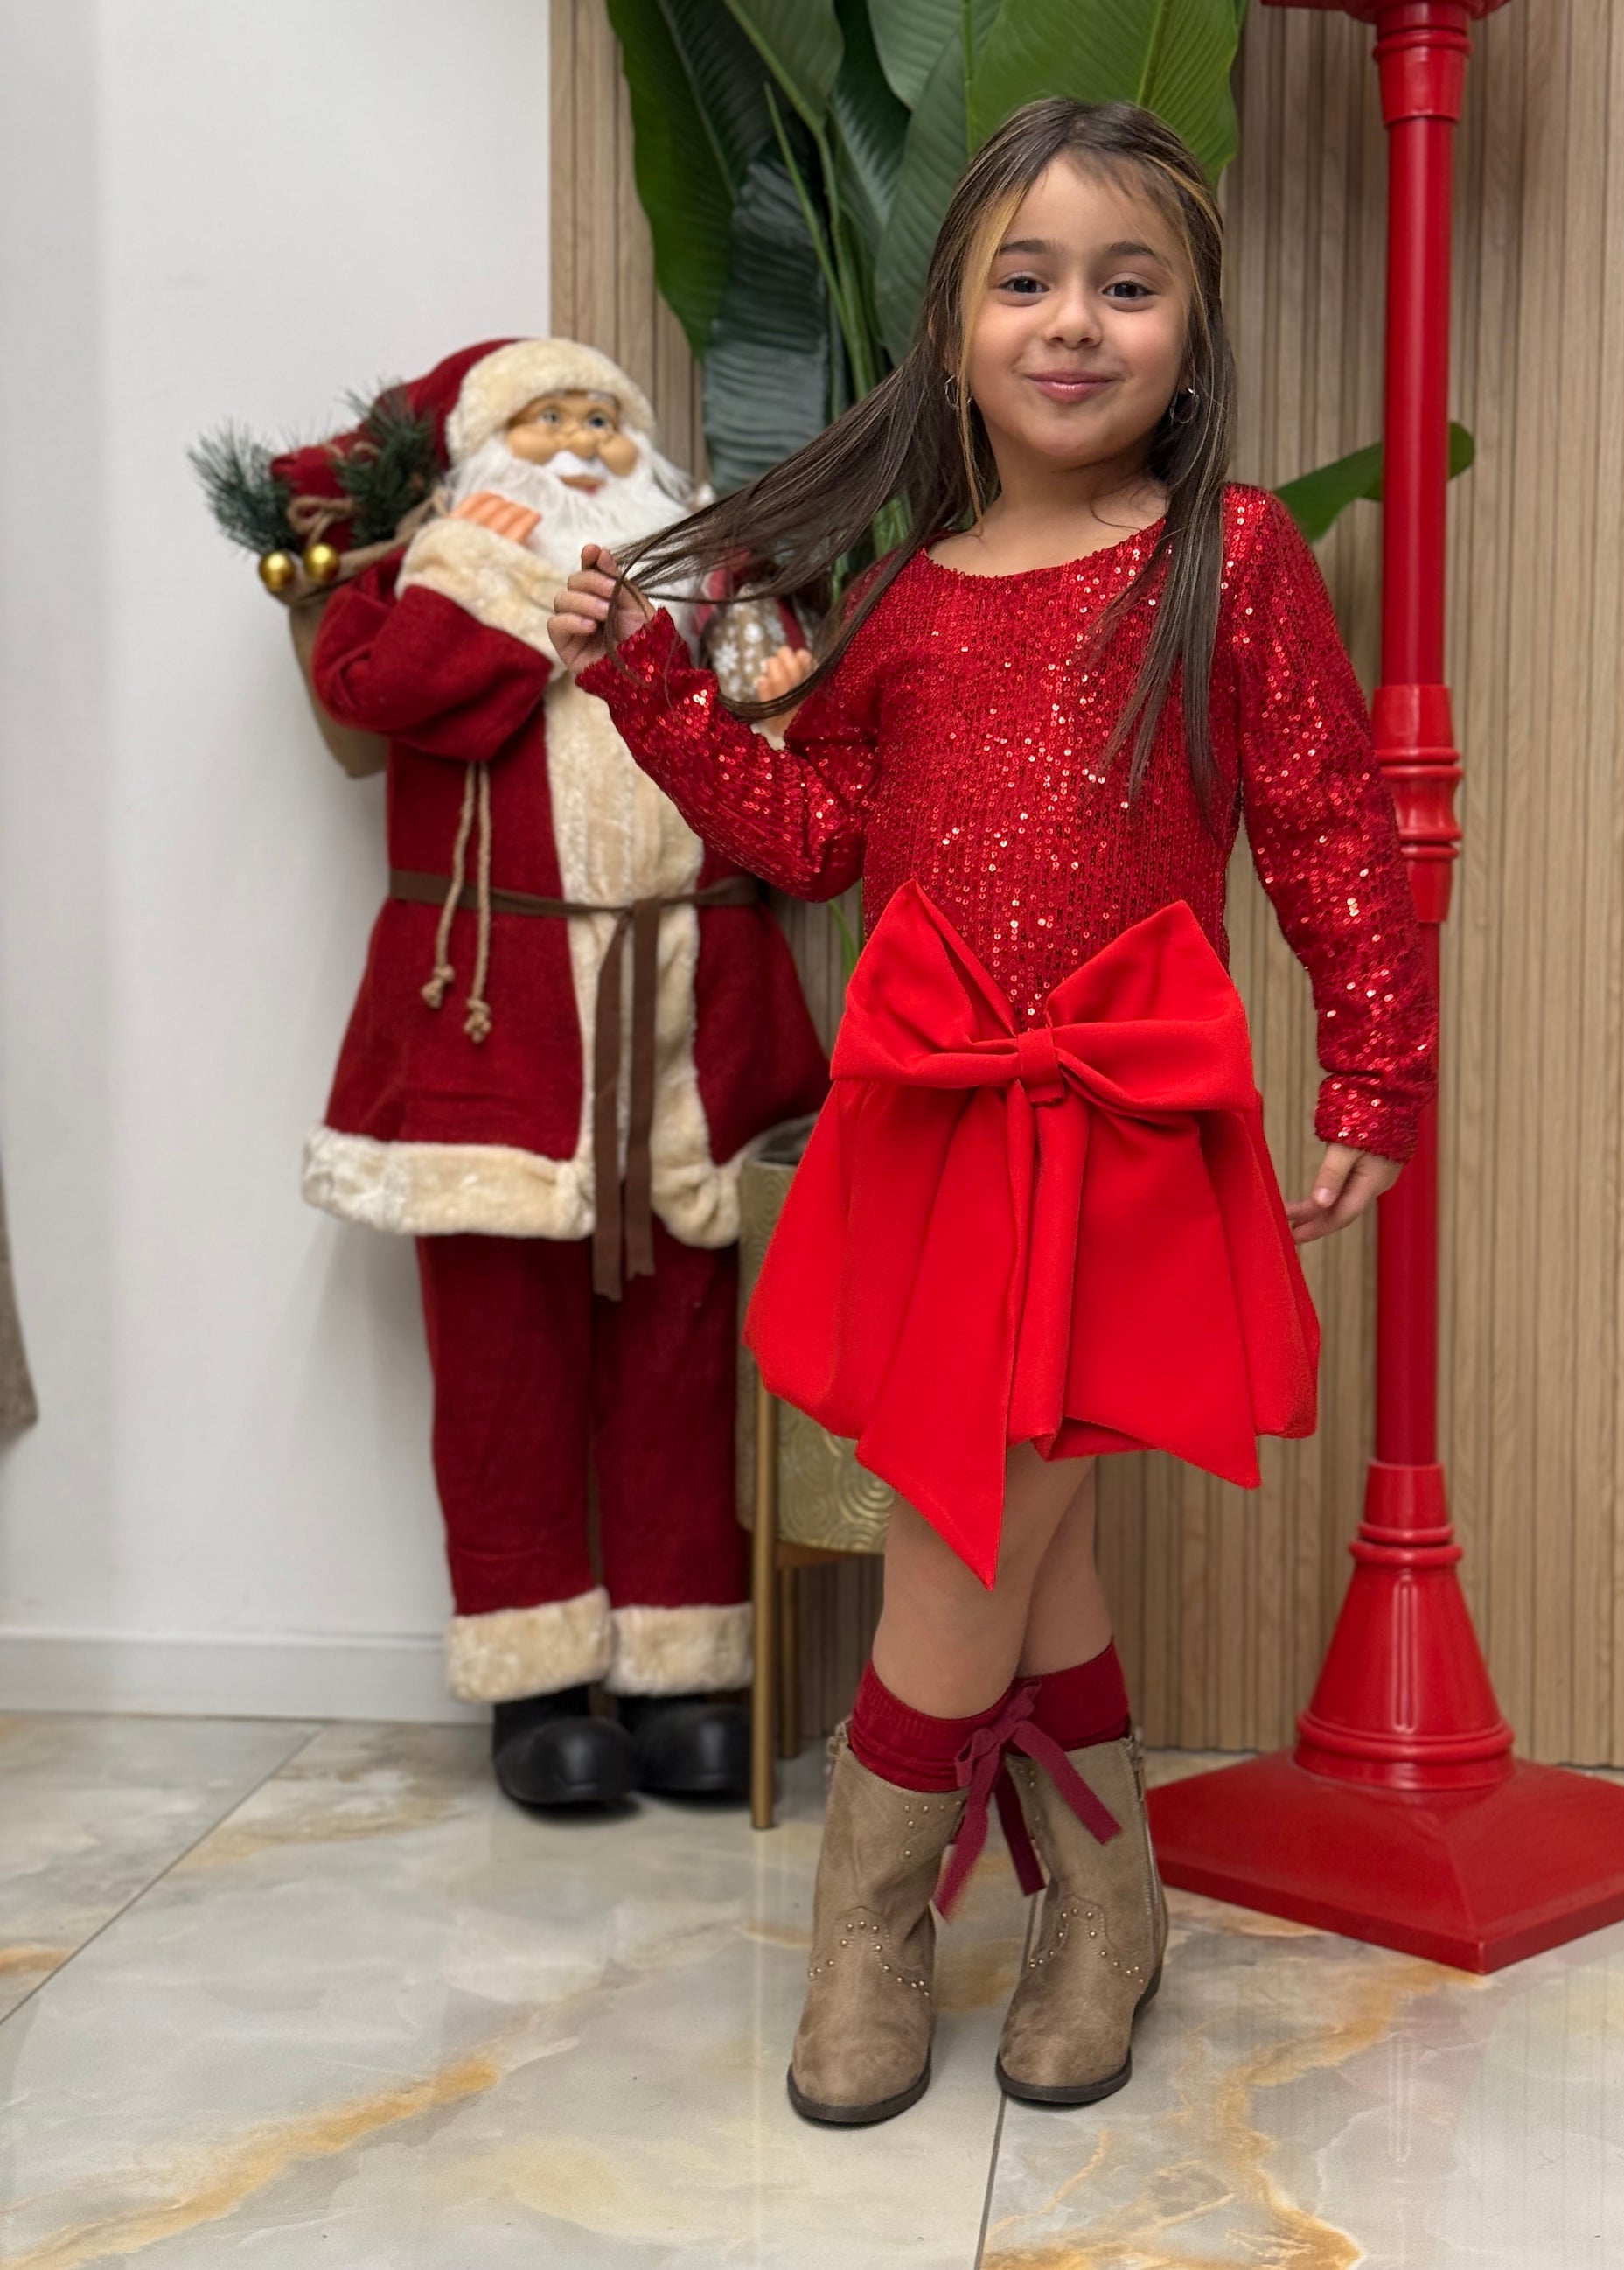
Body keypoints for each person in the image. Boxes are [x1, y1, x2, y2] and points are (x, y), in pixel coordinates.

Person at [548, 101, 1436, 2122]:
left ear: (1191, 334)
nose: (1072, 322)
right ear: (950, 328)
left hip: (1121, 1127)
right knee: (1029, 1540)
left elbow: (1322, 822)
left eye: (1127, 284)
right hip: (938, 1128)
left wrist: (1376, 1059)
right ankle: (1102, 1904)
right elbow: (816, 833)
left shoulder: (1230, 555)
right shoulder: (908, 595)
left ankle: (868, 1921)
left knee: (968, 1526)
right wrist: (656, 696)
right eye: (1024, 281)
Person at [303, 339, 829, 1808]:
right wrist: (496, 574)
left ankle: (684, 1670)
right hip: (499, 1015)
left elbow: (793, 759)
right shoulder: (436, 579)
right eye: (547, 418)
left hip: (689, 1012)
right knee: (501, 1367)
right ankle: (533, 1684)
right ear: (485, 451)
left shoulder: (711, 580)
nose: (585, 440)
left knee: (684, 1357)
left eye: (606, 416)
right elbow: (394, 696)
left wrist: (757, 661)